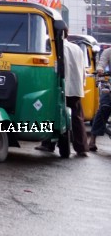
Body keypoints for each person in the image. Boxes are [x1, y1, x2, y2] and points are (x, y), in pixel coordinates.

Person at [36, 27, 90, 157]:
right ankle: (81, 147)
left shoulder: (52, 47)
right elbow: (83, 70)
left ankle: (48, 144)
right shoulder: (77, 48)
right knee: (77, 118)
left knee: (52, 114)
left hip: (59, 87)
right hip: (76, 88)